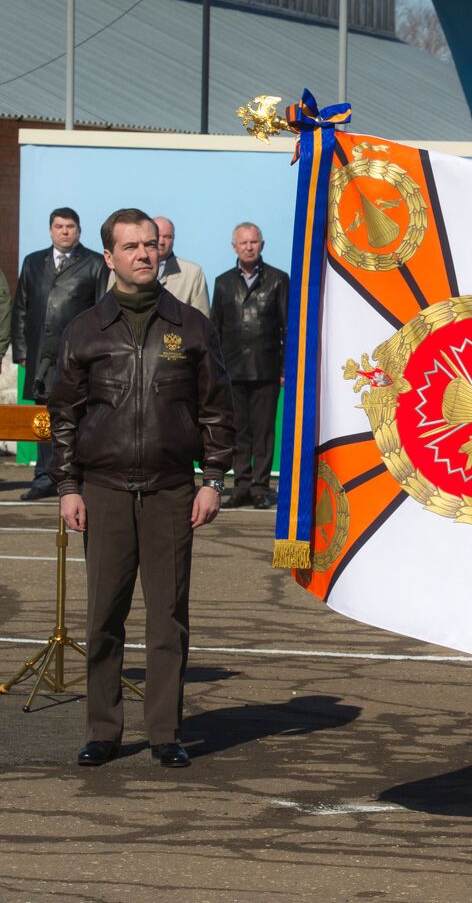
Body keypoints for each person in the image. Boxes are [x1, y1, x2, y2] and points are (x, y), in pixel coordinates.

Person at [47, 208, 235, 768]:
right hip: (101, 489)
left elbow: (216, 411)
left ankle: (164, 732)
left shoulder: (192, 326)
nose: (143, 254)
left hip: (172, 490)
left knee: (168, 616)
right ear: (109, 257)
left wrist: (214, 480)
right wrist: (67, 485)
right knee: (103, 614)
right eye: (130, 247)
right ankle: (102, 729)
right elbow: (64, 414)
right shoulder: (84, 329)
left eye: (150, 245)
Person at [10, 207, 106, 500]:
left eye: (70, 226)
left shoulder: (95, 263)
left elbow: (100, 310)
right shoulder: (32, 262)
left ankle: (73, 477)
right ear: (50, 230)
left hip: (76, 356)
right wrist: (23, 353)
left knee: (76, 416)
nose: (64, 231)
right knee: (43, 419)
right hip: (40, 357)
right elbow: (21, 309)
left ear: (79, 230)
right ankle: (43, 476)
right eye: (59, 226)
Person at [211, 222, 288, 509]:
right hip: (232, 370)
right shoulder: (222, 283)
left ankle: (260, 487)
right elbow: (214, 330)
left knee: (264, 432)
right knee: (237, 431)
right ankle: (240, 486)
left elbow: (287, 329)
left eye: (253, 242)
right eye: (243, 243)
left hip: (266, 370)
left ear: (262, 244)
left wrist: (284, 369)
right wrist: (215, 370)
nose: (248, 247)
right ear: (234, 247)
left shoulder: (279, 280)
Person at [108, 216, 210, 316]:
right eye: (158, 237)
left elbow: (202, 320)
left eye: (167, 237)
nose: (161, 242)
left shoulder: (192, 273)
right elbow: (108, 310)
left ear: (174, 239)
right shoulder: (120, 270)